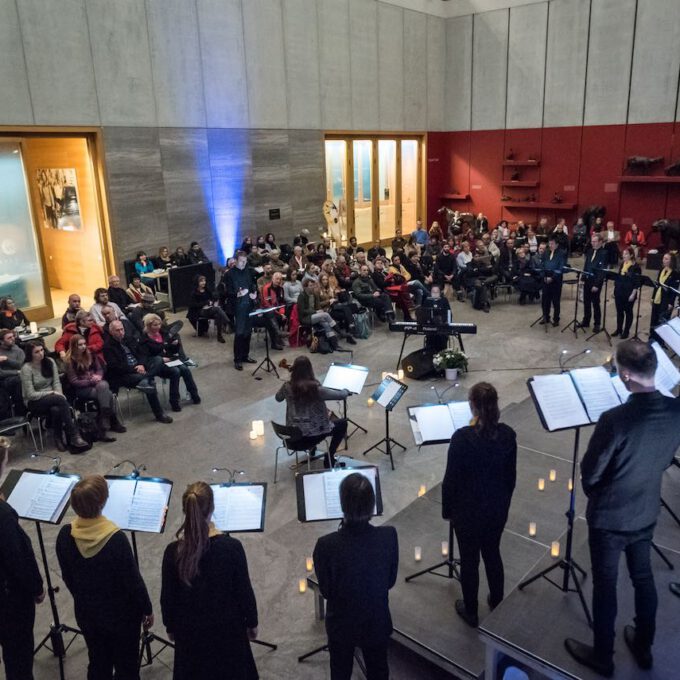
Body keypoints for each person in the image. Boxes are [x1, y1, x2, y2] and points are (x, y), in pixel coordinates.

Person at [565, 341, 680, 677]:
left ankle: (603, 656)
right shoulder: (675, 411)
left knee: (606, 585)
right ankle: (643, 646)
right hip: (645, 510)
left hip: (610, 519)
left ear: (626, 375)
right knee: (643, 579)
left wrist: (597, 495)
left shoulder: (614, 419)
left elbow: (591, 471)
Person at [56, 475, 152, 680]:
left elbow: (68, 577)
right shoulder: (115, 539)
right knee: (126, 666)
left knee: (98, 661)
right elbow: (133, 581)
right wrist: (147, 608)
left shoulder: (65, 535)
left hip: (88, 614)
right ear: (102, 503)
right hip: (122, 620)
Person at [161, 482, 259, 680]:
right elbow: (244, 591)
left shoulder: (172, 552)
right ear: (212, 509)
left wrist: (170, 626)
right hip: (228, 635)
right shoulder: (231, 548)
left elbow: (168, 597)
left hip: (190, 638)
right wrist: (252, 622)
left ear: (184, 511)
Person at [441, 382, 516, 628]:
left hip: (467, 513)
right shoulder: (507, 435)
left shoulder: (462, 438)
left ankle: (470, 610)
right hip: (496, 510)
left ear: (472, 406)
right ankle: (497, 601)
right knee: (493, 553)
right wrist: (504, 505)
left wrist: (448, 511)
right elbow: (510, 478)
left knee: (469, 560)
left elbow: (450, 480)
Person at [313, 473, 398, 680]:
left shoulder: (326, 545)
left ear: (342, 505)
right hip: (376, 621)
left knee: (340, 672)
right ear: (372, 505)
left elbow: (326, 591)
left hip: (342, 626)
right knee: (379, 671)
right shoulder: (389, 536)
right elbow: (390, 581)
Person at [0, 437, 45, 680]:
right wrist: (36, 588)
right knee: (18, 658)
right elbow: (17, 558)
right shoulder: (4, 515)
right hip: (9, 602)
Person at [275, 356, 349, 468]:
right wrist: (346, 391)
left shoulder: (286, 386)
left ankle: (312, 448)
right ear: (310, 370)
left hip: (291, 437)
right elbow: (341, 395)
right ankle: (329, 457)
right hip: (310, 438)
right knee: (342, 424)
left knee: (309, 420)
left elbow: (278, 398)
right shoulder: (315, 389)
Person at [20, 341, 88, 451]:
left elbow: (56, 382)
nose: (41, 353)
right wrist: (52, 393)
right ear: (30, 354)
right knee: (59, 401)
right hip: (34, 401)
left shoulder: (50, 362)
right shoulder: (26, 368)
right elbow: (30, 394)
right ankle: (74, 434)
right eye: (36, 352)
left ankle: (58, 438)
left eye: (42, 350)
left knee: (56, 409)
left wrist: (58, 393)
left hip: (54, 399)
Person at [103, 320, 173, 424]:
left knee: (158, 359)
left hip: (139, 368)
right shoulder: (108, 347)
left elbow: (141, 353)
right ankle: (159, 414)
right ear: (111, 332)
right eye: (117, 330)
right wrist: (135, 369)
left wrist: (141, 365)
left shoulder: (128, 340)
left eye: (122, 329)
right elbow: (116, 367)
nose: (121, 332)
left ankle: (145, 379)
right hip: (125, 375)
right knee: (151, 383)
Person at [64, 334, 124, 440]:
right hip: (82, 389)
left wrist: (98, 376)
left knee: (104, 386)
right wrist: (89, 381)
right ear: (74, 346)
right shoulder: (70, 361)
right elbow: (74, 381)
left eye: (84, 344)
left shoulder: (90, 354)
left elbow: (99, 369)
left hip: (97, 383)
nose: (83, 347)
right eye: (80, 345)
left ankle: (104, 426)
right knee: (108, 394)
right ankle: (111, 422)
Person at [138, 314, 201, 412]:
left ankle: (194, 395)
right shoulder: (144, 340)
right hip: (157, 364)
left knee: (185, 369)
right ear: (149, 326)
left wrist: (175, 344)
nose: (158, 327)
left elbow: (171, 349)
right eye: (155, 325)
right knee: (175, 372)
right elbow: (145, 357)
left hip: (170, 359)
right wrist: (162, 358)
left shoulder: (163, 333)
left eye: (159, 324)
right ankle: (174, 401)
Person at [223, 251, 258, 370]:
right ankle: (237, 359)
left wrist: (254, 293)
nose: (244, 263)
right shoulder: (230, 274)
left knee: (248, 332)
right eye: (242, 261)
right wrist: (237, 293)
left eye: (245, 261)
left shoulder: (248, 271)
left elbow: (253, 285)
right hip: (238, 307)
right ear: (236, 261)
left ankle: (245, 355)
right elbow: (227, 291)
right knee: (239, 333)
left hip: (249, 304)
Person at [187, 274, 229, 344]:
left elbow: (212, 298)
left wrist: (211, 302)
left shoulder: (207, 290)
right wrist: (205, 303)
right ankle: (228, 322)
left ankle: (219, 336)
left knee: (218, 315)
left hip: (209, 309)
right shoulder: (194, 293)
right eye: (201, 281)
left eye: (204, 280)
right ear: (197, 282)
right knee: (217, 309)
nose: (204, 282)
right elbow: (193, 305)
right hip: (199, 311)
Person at [580, 233, 609, 332]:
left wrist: (597, 284)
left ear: (600, 242)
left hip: (596, 281)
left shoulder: (604, 253)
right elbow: (586, 265)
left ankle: (597, 323)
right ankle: (586, 320)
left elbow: (602, 271)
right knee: (586, 301)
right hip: (587, 279)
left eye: (595, 241)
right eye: (592, 241)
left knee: (595, 303)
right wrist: (583, 278)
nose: (592, 243)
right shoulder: (590, 251)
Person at [612, 247, 641, 339]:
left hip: (629, 293)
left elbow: (637, 282)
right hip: (619, 292)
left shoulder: (636, 267)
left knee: (628, 312)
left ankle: (626, 331)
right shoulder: (622, 264)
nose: (623, 255)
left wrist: (633, 294)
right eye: (623, 254)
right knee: (619, 312)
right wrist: (615, 290)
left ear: (631, 255)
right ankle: (619, 329)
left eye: (626, 254)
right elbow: (618, 278)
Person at [649, 252, 679, 334]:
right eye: (663, 258)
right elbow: (657, 284)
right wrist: (652, 297)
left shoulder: (675, 274)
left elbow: (674, 290)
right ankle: (652, 338)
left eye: (666, 259)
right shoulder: (661, 270)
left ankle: (660, 341)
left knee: (661, 321)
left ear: (671, 261)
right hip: (657, 298)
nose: (664, 260)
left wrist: (671, 303)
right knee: (653, 319)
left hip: (666, 300)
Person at [540, 236, 566, 326]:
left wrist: (552, 278)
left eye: (552, 244)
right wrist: (544, 276)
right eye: (549, 243)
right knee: (545, 300)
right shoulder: (546, 252)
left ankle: (556, 319)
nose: (550, 245)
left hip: (556, 281)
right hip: (545, 280)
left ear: (557, 245)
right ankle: (545, 317)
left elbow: (561, 267)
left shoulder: (561, 253)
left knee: (555, 301)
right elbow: (542, 265)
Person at [0, 328, 26, 416]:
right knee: (18, 380)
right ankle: (20, 413)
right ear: (2, 341)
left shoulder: (18, 350)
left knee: (20, 381)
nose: (13, 339)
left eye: (13, 336)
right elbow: (1, 373)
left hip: (19, 380)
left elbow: (21, 365)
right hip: (4, 381)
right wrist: (17, 372)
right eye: (9, 338)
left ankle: (22, 413)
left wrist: (6, 360)